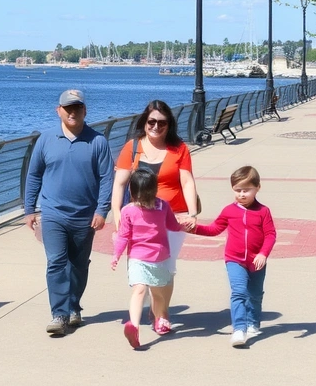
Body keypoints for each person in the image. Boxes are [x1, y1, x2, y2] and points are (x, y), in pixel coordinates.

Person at [24, 89, 114, 337]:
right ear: (59, 111)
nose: (72, 112)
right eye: (67, 108)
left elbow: (107, 178)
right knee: (56, 262)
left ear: (85, 110)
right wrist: (29, 209)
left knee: (78, 265)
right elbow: (34, 175)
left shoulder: (97, 142)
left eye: (77, 108)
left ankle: (74, 306)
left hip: (85, 216)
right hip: (52, 213)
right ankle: (59, 314)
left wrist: (102, 210)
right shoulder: (46, 139)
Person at [110, 100, 199, 323]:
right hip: (138, 219)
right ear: (144, 122)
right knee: (142, 265)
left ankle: (162, 313)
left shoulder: (179, 149)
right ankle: (151, 305)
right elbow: (120, 183)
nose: (156, 127)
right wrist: (117, 213)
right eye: (151, 121)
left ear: (169, 124)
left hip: (172, 217)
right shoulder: (132, 147)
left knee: (166, 267)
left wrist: (192, 213)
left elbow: (187, 181)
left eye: (162, 122)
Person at [190, 166, 277, 348]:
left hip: (256, 261)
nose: (242, 194)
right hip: (234, 260)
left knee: (255, 295)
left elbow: (270, 235)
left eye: (247, 190)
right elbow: (214, 229)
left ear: (257, 188)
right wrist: (194, 228)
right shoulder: (229, 211)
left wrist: (263, 253)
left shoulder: (263, 211)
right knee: (239, 292)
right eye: (238, 190)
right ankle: (239, 328)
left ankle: (253, 322)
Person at [110, 169, 182, 348]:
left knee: (158, 294)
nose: (145, 201)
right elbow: (123, 236)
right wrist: (116, 255)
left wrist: (186, 224)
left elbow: (173, 225)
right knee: (139, 289)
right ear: (134, 194)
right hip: (138, 258)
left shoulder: (163, 206)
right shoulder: (128, 211)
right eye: (141, 197)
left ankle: (159, 319)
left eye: (148, 195)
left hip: (160, 257)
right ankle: (134, 327)